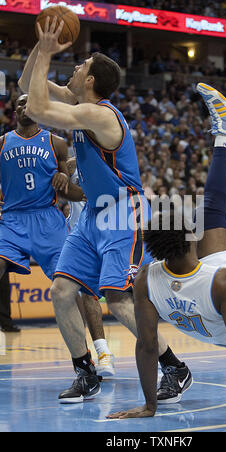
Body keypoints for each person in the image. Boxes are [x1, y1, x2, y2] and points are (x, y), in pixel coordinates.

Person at [108, 83, 226, 421]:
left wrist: (149, 406)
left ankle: (225, 132)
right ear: (190, 239)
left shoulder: (146, 279)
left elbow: (147, 346)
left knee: (211, 210)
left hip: (209, 309)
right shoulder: (224, 282)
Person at [22, 17, 190, 403]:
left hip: (122, 213)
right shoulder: (79, 103)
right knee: (62, 290)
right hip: (93, 216)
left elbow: (36, 107)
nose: (75, 67)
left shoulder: (101, 115)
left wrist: (48, 52)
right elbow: (24, 86)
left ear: (92, 81)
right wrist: (40, 44)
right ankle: (86, 372)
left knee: (118, 299)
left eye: (81, 67)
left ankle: (175, 367)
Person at [0, 94, 84, 315]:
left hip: (47, 218)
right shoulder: (2, 142)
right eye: (21, 103)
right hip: (12, 218)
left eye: (30, 102)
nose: (25, 106)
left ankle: (85, 344)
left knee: (68, 282)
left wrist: (64, 178)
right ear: (14, 110)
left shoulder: (56, 142)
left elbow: (65, 182)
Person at [66, 156, 115, 377]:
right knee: (77, 294)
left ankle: (159, 355)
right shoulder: (69, 164)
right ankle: (98, 355)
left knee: (126, 300)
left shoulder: (110, 161)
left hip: (109, 234)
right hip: (79, 236)